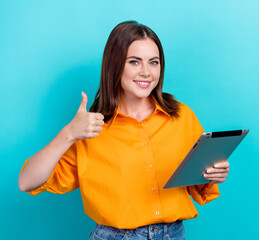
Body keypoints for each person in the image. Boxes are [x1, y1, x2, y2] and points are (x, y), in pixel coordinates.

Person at [18, 20, 230, 240]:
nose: (146, 72)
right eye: (134, 62)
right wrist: (69, 133)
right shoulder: (90, 128)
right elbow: (26, 181)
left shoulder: (181, 116)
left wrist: (213, 174)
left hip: (173, 235)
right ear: (115, 65)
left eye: (154, 62)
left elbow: (196, 183)